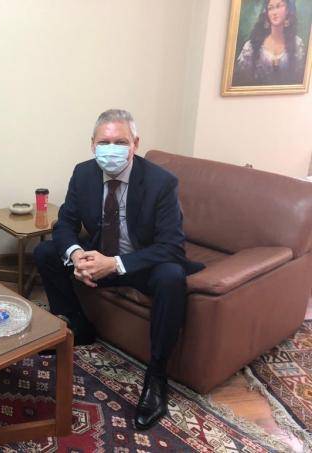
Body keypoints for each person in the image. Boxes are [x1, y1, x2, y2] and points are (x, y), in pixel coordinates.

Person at [34, 109, 204, 430]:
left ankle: (157, 375)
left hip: (140, 263)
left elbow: (172, 246)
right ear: (92, 144)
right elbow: (65, 224)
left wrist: (113, 264)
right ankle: (78, 328)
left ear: (135, 144)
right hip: (98, 253)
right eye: (104, 142)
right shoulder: (83, 173)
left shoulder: (161, 182)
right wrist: (77, 255)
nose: (111, 149)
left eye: (120, 142)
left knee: (172, 276)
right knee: (45, 252)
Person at [234, 0, 306, 85]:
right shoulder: (251, 46)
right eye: (270, 8)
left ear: (288, 10)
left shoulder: (297, 44)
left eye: (278, 6)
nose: (274, 12)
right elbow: (241, 79)